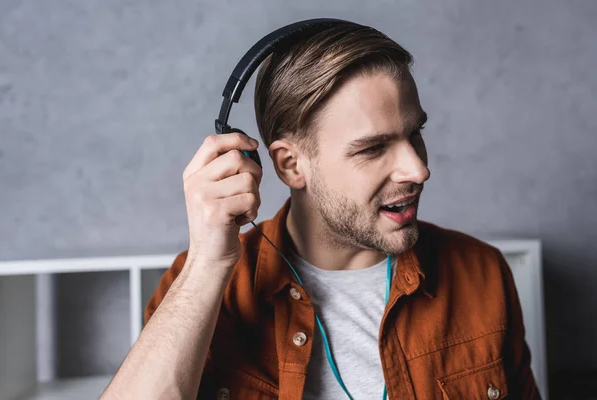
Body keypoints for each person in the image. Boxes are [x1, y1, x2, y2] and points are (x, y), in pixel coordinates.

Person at [102, 21, 540, 399]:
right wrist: (206, 266)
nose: (418, 169)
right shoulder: (202, 287)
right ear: (292, 165)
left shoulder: (482, 274)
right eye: (373, 148)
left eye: (414, 134)